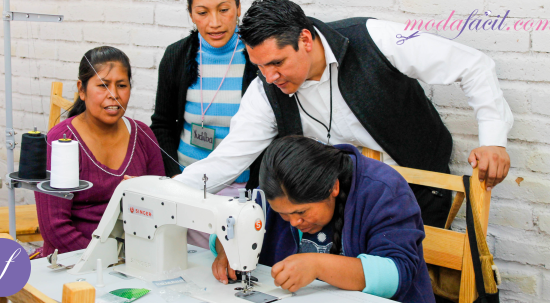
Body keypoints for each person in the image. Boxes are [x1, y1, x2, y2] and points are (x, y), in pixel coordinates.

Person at [175, 0, 514, 228]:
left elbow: (473, 65)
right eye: (259, 66)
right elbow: (227, 160)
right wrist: (166, 190)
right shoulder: (265, 91)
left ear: (305, 40)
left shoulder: (376, 38)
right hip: (341, 206)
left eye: (277, 63)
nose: (269, 76)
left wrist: (494, 141)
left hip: (420, 192)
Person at [211, 136, 435, 302]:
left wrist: (317, 266)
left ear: (333, 188)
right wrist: (226, 249)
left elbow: (397, 273)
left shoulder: (383, 190)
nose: (293, 222)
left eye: (301, 212)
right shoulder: (278, 189)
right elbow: (232, 225)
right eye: (283, 214)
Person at [34, 46, 165, 257]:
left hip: (134, 258)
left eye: (121, 85)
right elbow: (54, 228)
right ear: (82, 89)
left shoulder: (143, 136)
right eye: (103, 85)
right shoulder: (61, 141)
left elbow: (162, 206)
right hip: (72, 261)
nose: (113, 95)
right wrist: (106, 259)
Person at [151, 0, 259, 247]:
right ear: (191, 13)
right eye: (202, 12)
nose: (215, 23)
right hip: (188, 187)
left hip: (240, 191)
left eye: (224, 10)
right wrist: (177, 177)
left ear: (239, 8)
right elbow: (162, 125)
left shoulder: (257, 56)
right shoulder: (177, 56)